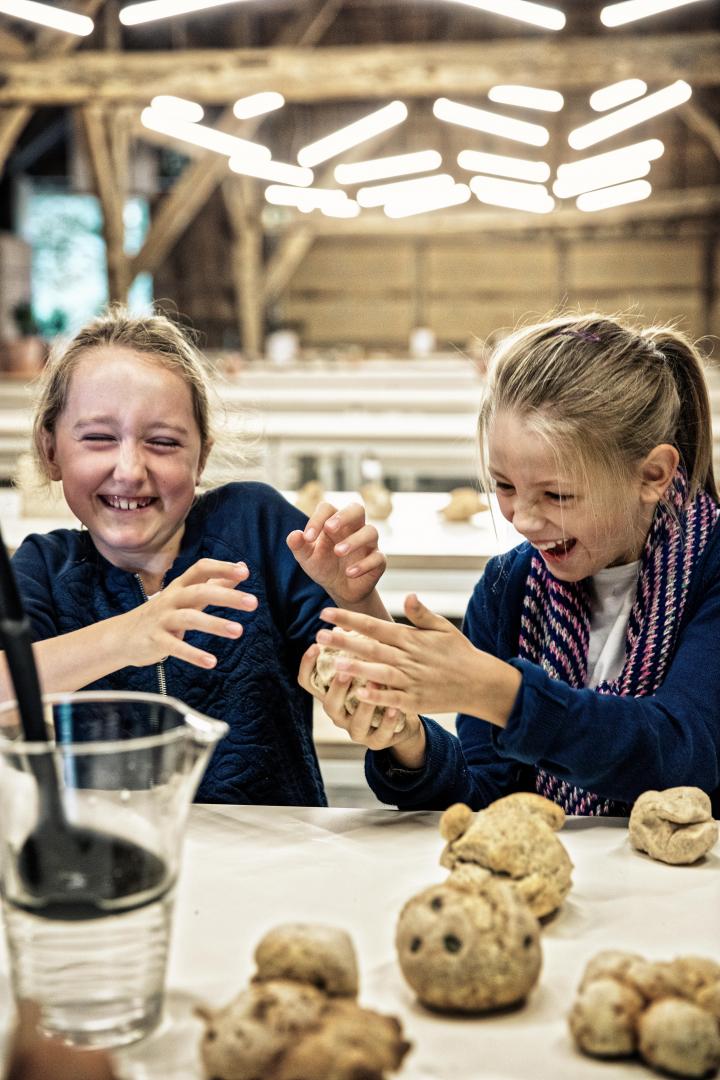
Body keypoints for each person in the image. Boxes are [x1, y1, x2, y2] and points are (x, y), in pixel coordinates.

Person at [300, 313, 720, 816]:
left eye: (556, 494)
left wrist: (500, 693)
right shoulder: (509, 589)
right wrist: (410, 741)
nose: (522, 519)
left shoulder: (709, 569)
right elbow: (489, 796)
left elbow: (681, 756)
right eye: (504, 486)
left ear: (652, 475)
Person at [3, 307, 390, 806]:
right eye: (98, 438)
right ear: (51, 449)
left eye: (162, 442)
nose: (129, 470)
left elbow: (383, 684)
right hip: (114, 859)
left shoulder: (257, 527)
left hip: (275, 860)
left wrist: (355, 598)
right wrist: (128, 634)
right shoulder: (42, 567)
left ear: (201, 456)